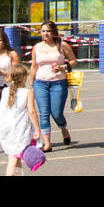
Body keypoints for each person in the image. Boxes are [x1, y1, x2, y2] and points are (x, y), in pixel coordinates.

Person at [31, 20, 77, 151]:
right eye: (43, 31)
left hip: (58, 83)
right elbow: (34, 66)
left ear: (54, 32)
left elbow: (74, 61)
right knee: (44, 113)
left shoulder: (62, 45)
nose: (45, 33)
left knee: (56, 113)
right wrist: (31, 84)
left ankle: (63, 129)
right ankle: (47, 143)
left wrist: (63, 66)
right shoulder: (37, 47)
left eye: (48, 31)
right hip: (40, 83)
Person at [0, 62, 38, 176]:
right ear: (24, 78)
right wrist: (37, 129)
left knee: (16, 157)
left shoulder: (5, 91)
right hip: (18, 129)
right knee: (14, 159)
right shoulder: (28, 92)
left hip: (5, 127)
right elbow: (32, 111)